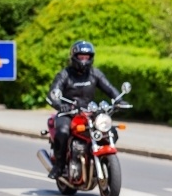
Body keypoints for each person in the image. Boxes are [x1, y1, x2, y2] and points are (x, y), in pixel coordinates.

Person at [46, 41, 122, 179]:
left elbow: (109, 88)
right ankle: (60, 165)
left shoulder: (95, 73)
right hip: (68, 112)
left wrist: (119, 100)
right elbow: (53, 93)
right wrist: (60, 105)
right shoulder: (64, 74)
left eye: (87, 57)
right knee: (62, 132)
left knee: (110, 130)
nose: (84, 60)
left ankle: (96, 156)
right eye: (81, 56)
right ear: (74, 57)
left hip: (90, 111)